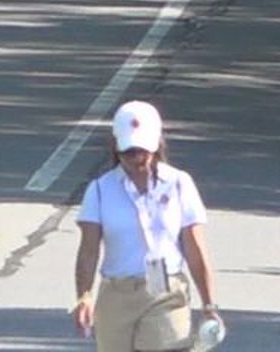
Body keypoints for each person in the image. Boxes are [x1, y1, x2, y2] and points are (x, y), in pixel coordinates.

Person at [71, 101, 223, 351]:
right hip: (117, 294)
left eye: (143, 150)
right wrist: (84, 296)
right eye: (128, 151)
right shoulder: (99, 190)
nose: (136, 158)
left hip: (166, 291)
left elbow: (195, 247)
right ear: (116, 147)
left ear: (157, 144)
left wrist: (208, 305)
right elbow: (88, 250)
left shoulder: (179, 184)